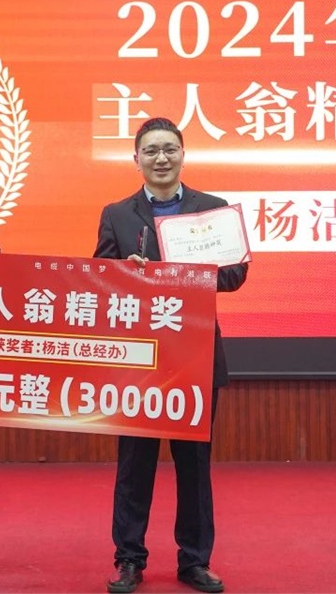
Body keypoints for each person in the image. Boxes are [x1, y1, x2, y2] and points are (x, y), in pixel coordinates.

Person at [94, 117, 248, 594]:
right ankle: (129, 560)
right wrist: (126, 272)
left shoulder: (213, 209)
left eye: (169, 149)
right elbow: (98, 277)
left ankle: (194, 561)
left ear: (183, 154)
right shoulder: (117, 214)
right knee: (133, 465)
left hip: (194, 356)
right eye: (151, 150)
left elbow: (235, 275)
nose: (161, 158)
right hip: (138, 357)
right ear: (136, 159)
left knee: (194, 466)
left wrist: (188, 271)